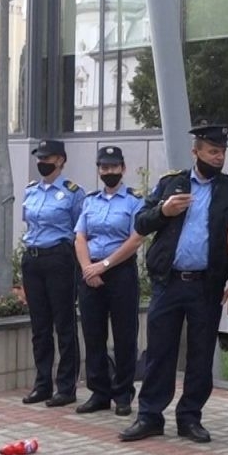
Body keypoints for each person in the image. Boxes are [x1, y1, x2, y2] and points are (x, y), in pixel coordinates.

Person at [120, 124, 228, 444]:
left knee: (200, 355)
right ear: (196, 152)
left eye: (222, 152)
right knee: (160, 351)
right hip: (169, 282)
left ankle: (190, 418)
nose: (218, 157)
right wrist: (164, 209)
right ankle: (149, 416)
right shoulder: (171, 184)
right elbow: (140, 222)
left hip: (207, 285)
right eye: (212, 151)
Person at [73, 145, 143, 417]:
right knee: (93, 335)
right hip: (91, 274)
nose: (109, 172)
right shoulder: (90, 201)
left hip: (120, 273)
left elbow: (135, 239)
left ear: (123, 168)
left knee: (125, 336)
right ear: (99, 169)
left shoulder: (134, 201)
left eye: (114, 167)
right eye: (104, 167)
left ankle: (123, 394)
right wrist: (88, 269)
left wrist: (103, 265)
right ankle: (99, 392)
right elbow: (80, 236)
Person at [20, 139, 86, 407]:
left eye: (47, 158)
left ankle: (66, 386)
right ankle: (42, 384)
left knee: (64, 324)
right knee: (40, 327)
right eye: (39, 158)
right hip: (33, 259)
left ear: (60, 160)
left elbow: (80, 230)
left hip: (59, 258)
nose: (42, 163)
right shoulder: (31, 191)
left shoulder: (73, 192)